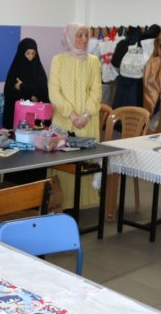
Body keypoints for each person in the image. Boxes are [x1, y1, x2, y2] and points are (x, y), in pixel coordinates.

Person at [48, 22, 102, 208]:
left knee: (85, 163)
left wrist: (85, 115)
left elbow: (96, 91)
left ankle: (82, 204)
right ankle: (61, 204)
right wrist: (71, 115)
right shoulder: (58, 60)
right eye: (79, 35)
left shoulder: (93, 61)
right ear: (70, 36)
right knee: (63, 164)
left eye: (87, 35)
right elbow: (54, 92)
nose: (84, 39)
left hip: (87, 121)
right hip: (64, 121)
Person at [1, 38, 49, 129]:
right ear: (21, 54)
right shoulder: (15, 71)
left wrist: (22, 86)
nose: (31, 57)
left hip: (36, 120)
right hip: (16, 118)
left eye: (33, 53)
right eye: (28, 53)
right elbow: (9, 93)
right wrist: (31, 96)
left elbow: (43, 92)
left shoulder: (39, 71)